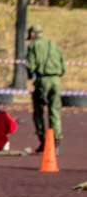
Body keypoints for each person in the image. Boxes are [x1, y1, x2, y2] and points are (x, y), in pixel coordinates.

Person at [25, 24, 66, 153]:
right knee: (55, 111)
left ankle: (43, 140)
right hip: (56, 80)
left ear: (32, 34)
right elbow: (63, 67)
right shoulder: (54, 45)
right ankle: (56, 143)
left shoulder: (33, 46)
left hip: (42, 80)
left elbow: (30, 65)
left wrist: (31, 75)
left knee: (38, 111)